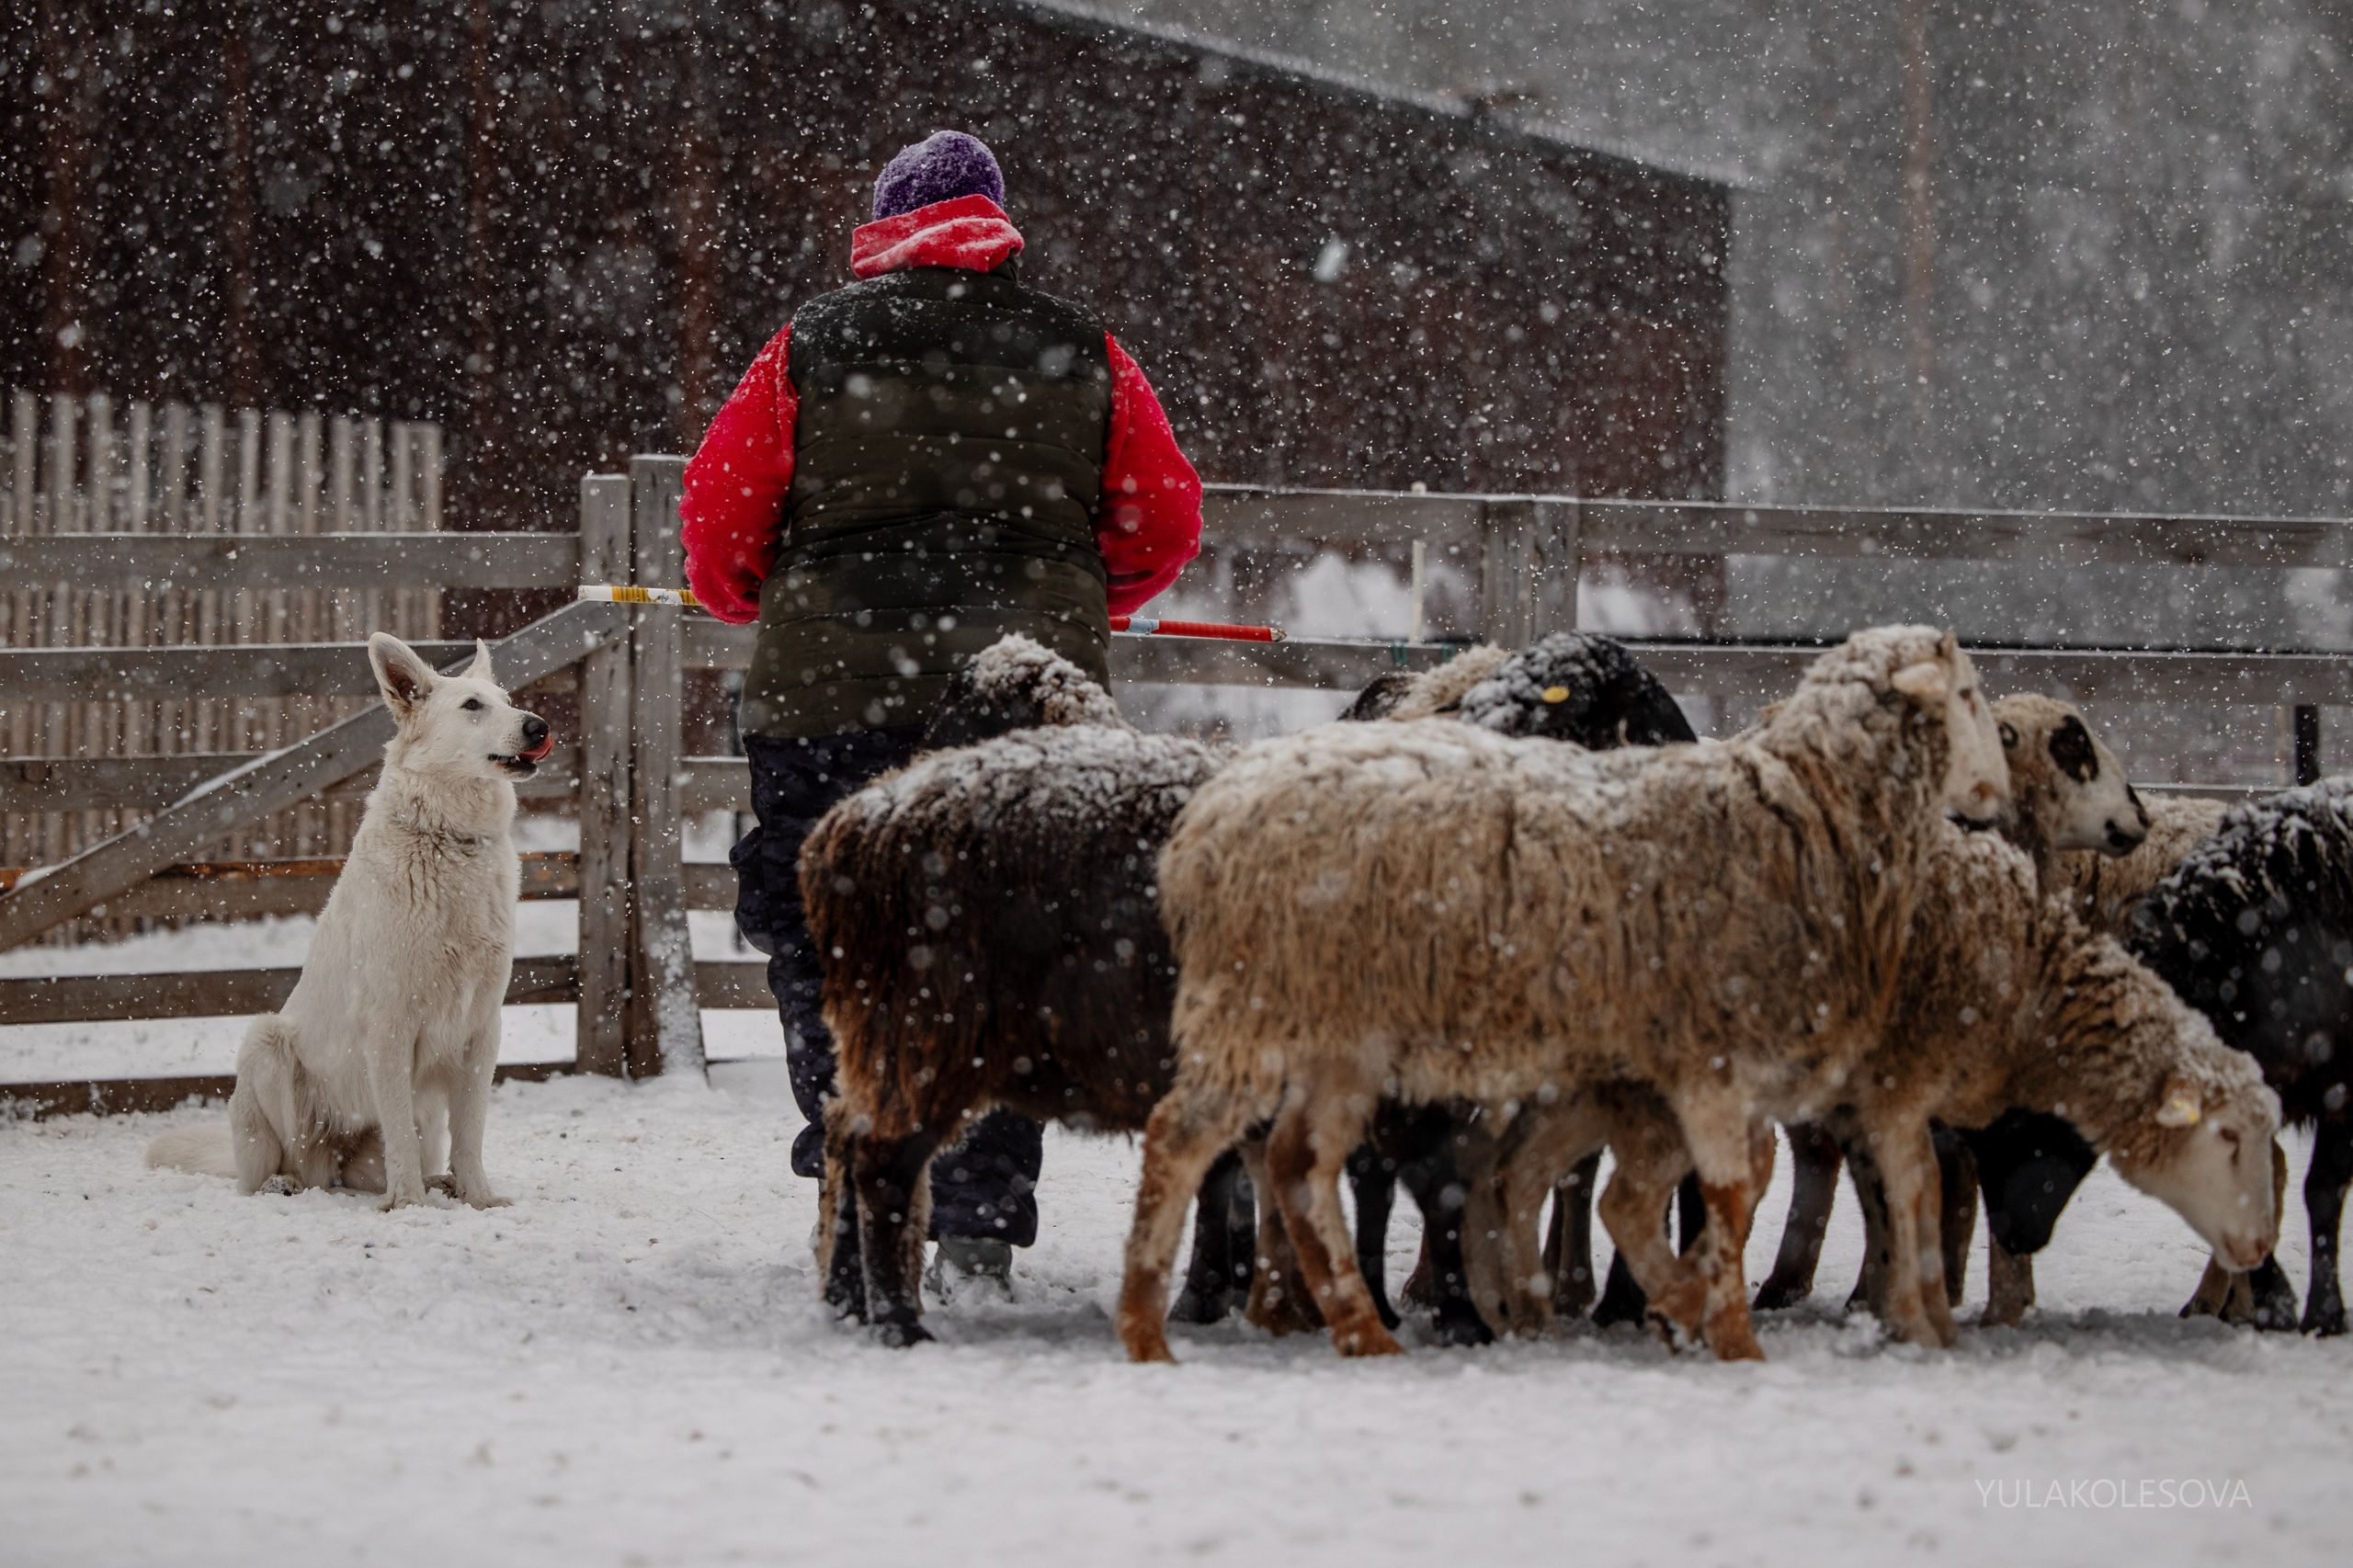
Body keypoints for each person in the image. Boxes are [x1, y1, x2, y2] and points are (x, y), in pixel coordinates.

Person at [680, 130, 1202, 1284]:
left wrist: (769, 597)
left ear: (885, 225)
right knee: (1014, 937)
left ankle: (857, 1170)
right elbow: (1162, 522)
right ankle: (973, 1203)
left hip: (829, 701)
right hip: (1022, 703)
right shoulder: (1083, 348)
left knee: (832, 928)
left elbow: (718, 522)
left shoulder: (809, 345)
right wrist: (1072, 593)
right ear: (997, 226)